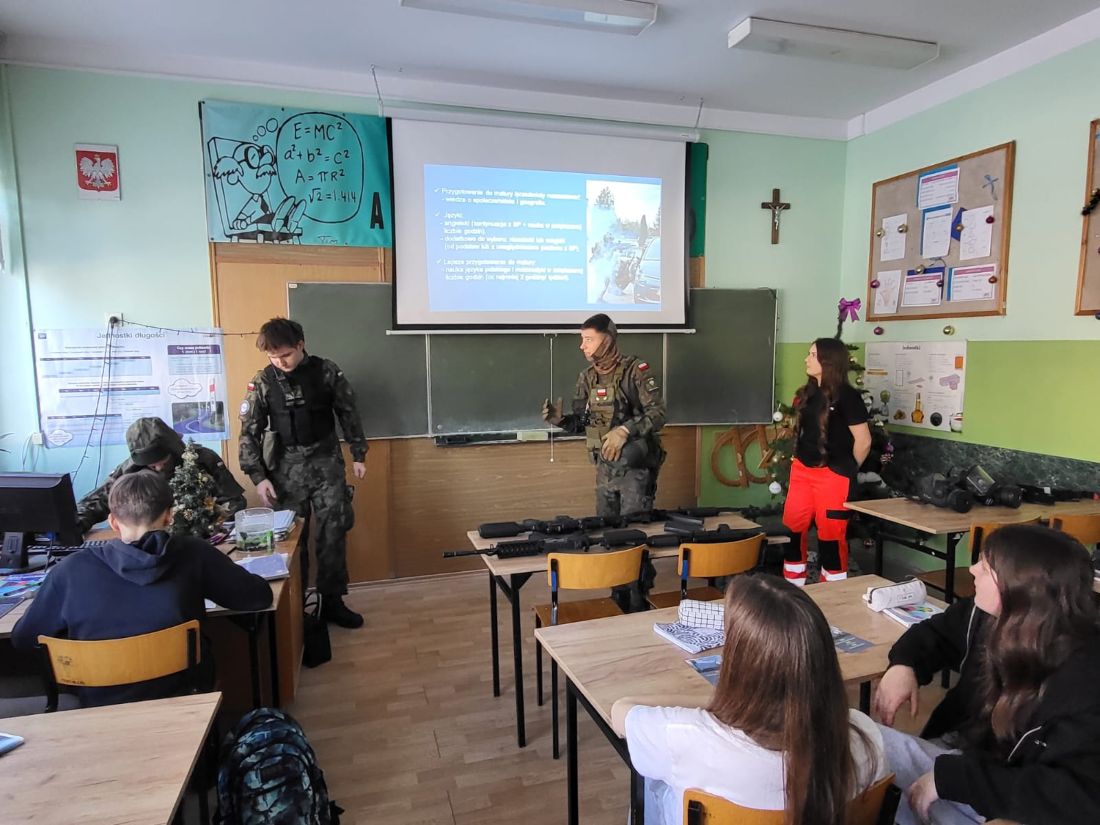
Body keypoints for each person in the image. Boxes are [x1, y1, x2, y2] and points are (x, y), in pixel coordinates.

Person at [611, 574, 886, 825]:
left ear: (740, 667)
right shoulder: (866, 736)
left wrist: (720, 702)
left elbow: (621, 711)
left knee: (652, 777)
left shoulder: (688, 735)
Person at [872, 523, 1100, 825]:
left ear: (1019, 588)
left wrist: (951, 780)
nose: (972, 570)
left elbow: (1075, 796)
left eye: (986, 566)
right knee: (858, 740)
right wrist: (904, 665)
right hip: (966, 760)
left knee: (860, 739)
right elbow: (936, 633)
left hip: (1007, 799)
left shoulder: (1084, 679)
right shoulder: (988, 615)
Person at [12, 472, 272, 707]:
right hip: (184, 696)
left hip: (98, 706)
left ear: (113, 522)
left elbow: (24, 638)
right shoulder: (194, 554)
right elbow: (258, 597)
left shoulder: (70, 570)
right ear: (169, 516)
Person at [239, 317, 367, 629]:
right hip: (285, 468)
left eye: (285, 355)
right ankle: (295, 608)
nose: (280, 362)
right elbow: (249, 432)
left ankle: (332, 601)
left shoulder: (326, 371)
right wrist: (259, 477)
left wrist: (358, 453)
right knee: (292, 538)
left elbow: (348, 411)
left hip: (326, 462)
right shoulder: (263, 381)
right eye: (273, 357)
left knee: (333, 531)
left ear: (300, 345)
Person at [541, 313, 666, 609]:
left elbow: (658, 413)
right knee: (608, 534)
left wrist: (625, 431)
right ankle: (617, 595)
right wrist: (561, 421)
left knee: (632, 536)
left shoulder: (635, 370)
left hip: (635, 471)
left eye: (589, 339)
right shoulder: (587, 377)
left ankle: (638, 598)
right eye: (582, 340)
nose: (582, 346)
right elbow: (585, 422)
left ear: (607, 339)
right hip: (604, 469)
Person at [781, 337, 871, 585]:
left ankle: (833, 591)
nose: (806, 359)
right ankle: (792, 586)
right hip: (802, 471)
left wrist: (845, 470)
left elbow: (863, 441)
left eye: (813, 355)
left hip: (833, 475)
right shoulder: (808, 393)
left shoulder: (848, 397)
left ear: (828, 361)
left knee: (831, 536)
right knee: (793, 527)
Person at [75, 416, 246, 534]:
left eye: (163, 462)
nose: (158, 468)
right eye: (152, 465)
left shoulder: (202, 459)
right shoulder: (130, 470)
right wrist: (75, 526)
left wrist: (210, 524)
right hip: (148, 539)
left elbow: (234, 501)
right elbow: (98, 501)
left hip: (200, 536)